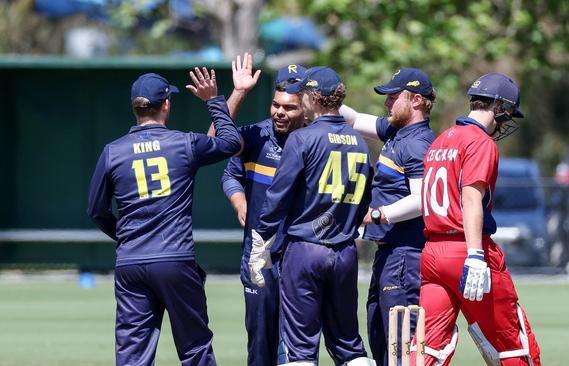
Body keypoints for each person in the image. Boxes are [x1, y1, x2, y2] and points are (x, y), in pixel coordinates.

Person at [87, 70, 241, 366]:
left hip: (131, 263)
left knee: (133, 355)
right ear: (166, 104)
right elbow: (231, 142)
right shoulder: (184, 144)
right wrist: (213, 101)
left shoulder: (112, 152)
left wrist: (126, 236)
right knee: (195, 348)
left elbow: (96, 211)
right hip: (175, 259)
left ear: (136, 107)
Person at [249, 66, 376, 366]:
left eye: (303, 93)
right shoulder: (359, 142)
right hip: (345, 253)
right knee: (349, 345)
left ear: (314, 98)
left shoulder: (302, 139)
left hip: (304, 251)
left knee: (300, 348)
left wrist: (261, 242)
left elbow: (277, 197)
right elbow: (363, 203)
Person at [417, 73, 541, 365]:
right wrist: (475, 255)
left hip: (433, 254)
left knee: (428, 348)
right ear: (498, 106)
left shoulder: (441, 140)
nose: (505, 121)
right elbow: (471, 198)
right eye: (506, 113)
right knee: (514, 344)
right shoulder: (480, 142)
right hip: (467, 248)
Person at [339, 68, 436, 366]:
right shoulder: (397, 131)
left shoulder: (418, 142)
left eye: (394, 96)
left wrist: (378, 214)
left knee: (401, 345)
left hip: (407, 255)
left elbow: (422, 200)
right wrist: (315, 85)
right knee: (380, 335)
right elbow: (353, 119)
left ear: (417, 100)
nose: (387, 103)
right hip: (390, 253)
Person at [220, 63, 307, 366]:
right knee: (260, 343)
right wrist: (239, 201)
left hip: (301, 254)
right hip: (259, 254)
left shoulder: (316, 140)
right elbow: (216, 149)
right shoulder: (255, 135)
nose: (280, 112)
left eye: (289, 107)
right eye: (275, 104)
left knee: (297, 346)